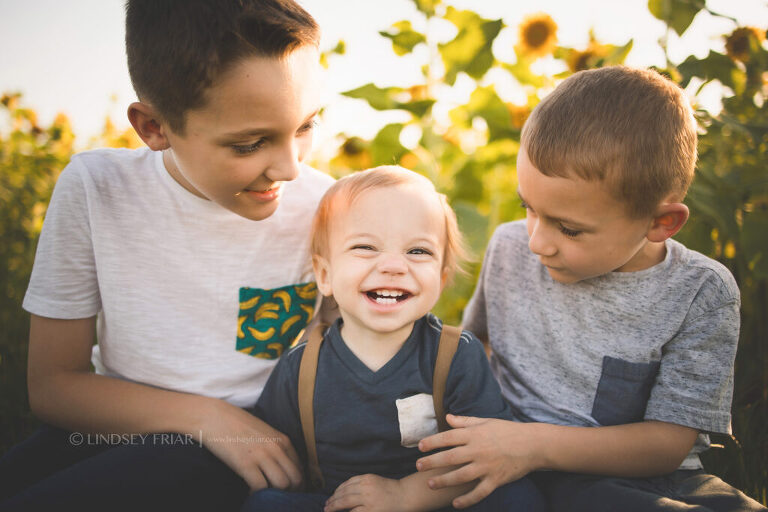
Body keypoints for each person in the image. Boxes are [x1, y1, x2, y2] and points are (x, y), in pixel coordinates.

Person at [0, 1, 334, 510]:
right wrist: (205, 416)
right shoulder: (97, 189)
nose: (290, 168)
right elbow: (52, 386)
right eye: (250, 144)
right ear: (153, 126)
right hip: (112, 425)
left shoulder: (331, 210)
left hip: (244, 452)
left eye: (306, 125)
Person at [415, 66, 767, 511]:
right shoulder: (509, 246)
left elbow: (667, 443)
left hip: (634, 479)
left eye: (570, 229)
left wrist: (532, 445)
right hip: (503, 459)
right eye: (529, 209)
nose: (537, 242)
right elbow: (469, 349)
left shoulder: (700, 291)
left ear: (661, 222)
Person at [242, 166, 547, 511]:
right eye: (365, 247)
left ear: (442, 278)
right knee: (265, 503)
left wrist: (404, 495)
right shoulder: (302, 366)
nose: (393, 266)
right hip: (336, 502)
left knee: (517, 496)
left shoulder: (455, 355)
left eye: (418, 252)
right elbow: (273, 451)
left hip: (435, 500)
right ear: (325, 275)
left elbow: (487, 456)